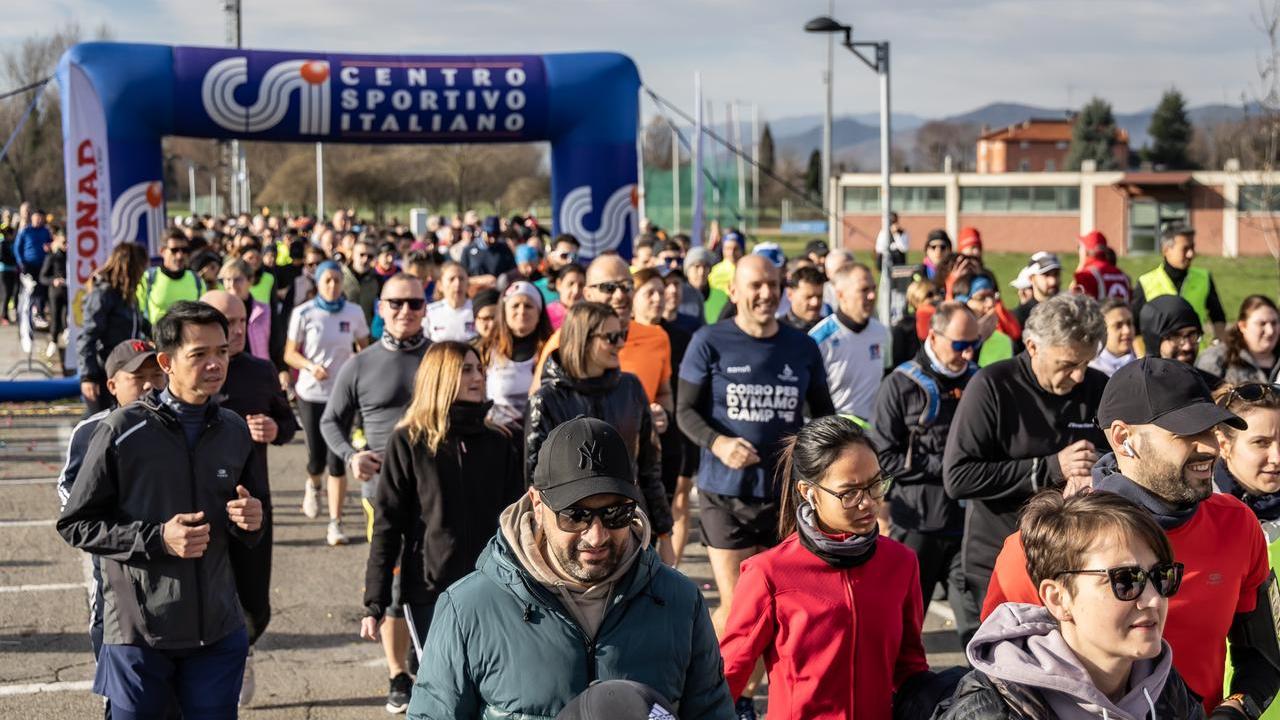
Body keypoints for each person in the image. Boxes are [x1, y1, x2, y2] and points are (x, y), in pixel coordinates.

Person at [981, 358, 1280, 718]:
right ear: (1124, 439)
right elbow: (998, 683)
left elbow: (1262, 659)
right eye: (1187, 433)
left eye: (1211, 430)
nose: (1210, 448)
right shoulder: (1041, 545)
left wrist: (1233, 713)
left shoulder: (1237, 523)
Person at [407, 417, 736, 720]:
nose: (596, 535)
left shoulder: (679, 601)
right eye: (575, 515)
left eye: (615, 514)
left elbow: (712, 713)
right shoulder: (467, 608)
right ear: (537, 505)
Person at [57, 301, 265, 720]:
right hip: (139, 636)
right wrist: (158, 539)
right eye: (200, 354)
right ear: (167, 362)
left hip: (217, 635)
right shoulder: (121, 430)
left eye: (221, 352)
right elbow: (76, 524)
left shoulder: (234, 429)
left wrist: (251, 522)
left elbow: (247, 523)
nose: (214, 363)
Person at [677, 255, 835, 715]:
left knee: (781, 605)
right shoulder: (710, 341)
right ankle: (732, 696)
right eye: (755, 286)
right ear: (734, 291)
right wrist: (719, 442)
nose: (766, 294)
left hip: (784, 496)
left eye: (772, 285)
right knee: (738, 605)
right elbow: (686, 411)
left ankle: (758, 690)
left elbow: (821, 414)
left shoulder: (801, 346)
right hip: (725, 491)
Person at [720, 415, 930, 719]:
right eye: (849, 493)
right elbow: (728, 674)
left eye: (875, 485)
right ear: (809, 492)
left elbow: (911, 666)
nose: (868, 502)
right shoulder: (768, 572)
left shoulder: (902, 563)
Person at [936, 491, 1205, 720]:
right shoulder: (994, 709)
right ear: (1058, 598)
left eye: (1162, 577)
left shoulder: (1166, 688)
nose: (1153, 599)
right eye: (1125, 581)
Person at [361, 341, 523, 712]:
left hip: (493, 591)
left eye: (478, 369)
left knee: (491, 693)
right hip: (430, 592)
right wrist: (375, 601)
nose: (477, 376)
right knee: (444, 698)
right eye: (465, 369)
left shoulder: (500, 441)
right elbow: (387, 526)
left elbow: (518, 523)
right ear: (440, 376)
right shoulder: (409, 440)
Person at [943, 293, 1109, 629]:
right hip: (1000, 562)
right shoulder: (992, 386)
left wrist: (1099, 470)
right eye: (1067, 364)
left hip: (1073, 562)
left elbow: (1120, 457)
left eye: (1085, 364)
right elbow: (958, 477)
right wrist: (1048, 468)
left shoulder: (1098, 388)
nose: (1078, 377)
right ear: (1032, 347)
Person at [319, 272, 430, 709]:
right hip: (382, 493)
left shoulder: (442, 359)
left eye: (415, 304)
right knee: (394, 586)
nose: (405, 311)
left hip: (438, 493)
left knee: (443, 579)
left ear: (426, 308)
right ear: (379, 308)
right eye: (396, 303)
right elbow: (330, 420)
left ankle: (432, 662)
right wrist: (350, 455)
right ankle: (397, 674)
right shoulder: (361, 363)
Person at [199, 289, 298, 706]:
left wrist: (276, 430)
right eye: (228, 321)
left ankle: (248, 646)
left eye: (243, 322)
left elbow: (287, 421)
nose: (238, 331)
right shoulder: (191, 371)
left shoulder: (260, 370)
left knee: (254, 597)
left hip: (253, 501)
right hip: (199, 502)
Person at [525, 302, 674, 559]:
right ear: (583, 338)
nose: (620, 344)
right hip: (573, 533)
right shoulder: (546, 399)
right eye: (611, 337)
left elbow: (650, 468)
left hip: (630, 523)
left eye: (622, 335)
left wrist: (664, 533)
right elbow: (535, 481)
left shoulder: (631, 388)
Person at [871, 301, 980, 641]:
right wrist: (949, 468)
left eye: (974, 345)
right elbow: (884, 457)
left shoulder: (980, 382)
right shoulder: (900, 384)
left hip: (968, 527)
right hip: (918, 524)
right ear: (933, 336)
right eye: (960, 345)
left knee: (977, 630)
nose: (967, 354)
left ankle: (981, 693)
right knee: (903, 627)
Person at [283, 260, 371, 545]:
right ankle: (313, 483)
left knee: (338, 460)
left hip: (341, 396)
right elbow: (289, 354)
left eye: (336, 280)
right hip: (311, 393)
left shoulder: (353, 312)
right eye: (327, 281)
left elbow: (363, 349)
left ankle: (336, 522)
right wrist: (309, 366)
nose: (333, 286)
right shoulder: (304, 312)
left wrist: (357, 367)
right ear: (318, 284)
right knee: (316, 458)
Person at [809, 262, 889, 424]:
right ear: (840, 295)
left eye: (873, 289)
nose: (872, 296)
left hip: (873, 434)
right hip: (834, 433)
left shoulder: (882, 333)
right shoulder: (819, 339)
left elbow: (887, 379)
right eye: (864, 290)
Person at [78, 242, 151, 415]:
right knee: (100, 421)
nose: (143, 274)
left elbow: (143, 325)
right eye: (141, 268)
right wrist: (88, 376)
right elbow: (88, 336)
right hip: (104, 371)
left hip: (123, 367)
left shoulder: (127, 295)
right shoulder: (104, 294)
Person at [1134, 225, 1227, 345]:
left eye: (1192, 248)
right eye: (1185, 249)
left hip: (1195, 358)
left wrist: (1217, 344)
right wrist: (1144, 358)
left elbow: (1218, 316)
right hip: (1160, 361)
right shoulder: (1145, 282)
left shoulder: (1204, 278)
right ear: (1166, 250)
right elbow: (1135, 327)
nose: (1191, 254)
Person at [479, 281, 553, 433]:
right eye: (515, 305)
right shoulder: (486, 350)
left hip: (541, 435)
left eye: (528, 306)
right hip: (498, 436)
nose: (522, 311)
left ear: (539, 313)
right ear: (504, 311)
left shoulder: (551, 351)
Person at [1198, 295, 1278, 385]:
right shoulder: (1215, 359)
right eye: (1262, 324)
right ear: (1242, 326)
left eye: (1274, 323)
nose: (1270, 331)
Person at [137, 230, 206, 324]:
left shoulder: (197, 280)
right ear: (162, 251)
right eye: (174, 250)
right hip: (156, 337)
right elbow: (138, 312)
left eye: (185, 250)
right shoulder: (148, 278)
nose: (180, 256)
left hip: (190, 338)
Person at [218, 258, 274, 364]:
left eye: (238, 279)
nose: (232, 284)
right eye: (227, 279)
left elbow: (275, 341)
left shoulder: (263, 310)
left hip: (259, 367)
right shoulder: (218, 311)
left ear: (250, 280)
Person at [1139, 295, 1205, 368]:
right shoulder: (1136, 379)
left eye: (1192, 335)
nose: (1187, 347)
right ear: (1154, 343)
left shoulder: (1207, 379)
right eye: (1176, 337)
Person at [1072, 230, 1132, 303]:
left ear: (1086, 251)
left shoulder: (1086, 275)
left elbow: (1075, 304)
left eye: (1079, 247)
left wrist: (1081, 265)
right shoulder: (1122, 275)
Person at [14, 208, 51, 321]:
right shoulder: (25, 231)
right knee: (29, 290)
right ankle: (24, 313)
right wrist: (20, 262)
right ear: (32, 218)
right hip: (28, 265)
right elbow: (17, 248)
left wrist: (49, 247)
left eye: (41, 218)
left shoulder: (45, 231)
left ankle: (39, 313)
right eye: (36, 218)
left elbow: (51, 245)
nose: (38, 220)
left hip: (43, 265)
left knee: (41, 289)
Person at [462, 215, 516, 292]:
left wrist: (504, 277)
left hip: (498, 294)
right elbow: (462, 277)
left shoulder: (504, 249)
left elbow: (514, 270)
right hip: (476, 295)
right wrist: (480, 280)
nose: (493, 239)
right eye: (490, 234)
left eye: (496, 235)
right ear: (482, 231)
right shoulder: (468, 250)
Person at [426, 261, 476, 342]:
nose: (457, 283)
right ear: (440, 285)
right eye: (451, 279)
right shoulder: (430, 312)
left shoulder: (477, 310)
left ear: (468, 283)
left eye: (461, 279)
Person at [1011, 251, 1061, 328]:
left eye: (1056, 274)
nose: (1053, 281)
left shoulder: (1069, 311)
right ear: (1031, 278)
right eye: (1046, 275)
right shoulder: (1020, 316)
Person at [1090, 298, 1138, 377]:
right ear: (1100, 330)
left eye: (1129, 323)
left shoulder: (1143, 366)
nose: (1127, 331)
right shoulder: (1090, 370)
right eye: (1118, 325)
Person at [39, 229, 68, 359]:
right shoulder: (52, 257)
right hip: (55, 293)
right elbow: (42, 277)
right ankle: (54, 341)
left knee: (66, 318)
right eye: (64, 242)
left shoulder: (72, 258)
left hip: (70, 293)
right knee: (55, 318)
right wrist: (53, 281)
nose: (67, 245)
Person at [343, 239, 382, 325]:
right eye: (362, 255)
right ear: (353, 255)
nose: (365, 259)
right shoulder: (339, 277)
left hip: (367, 332)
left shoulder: (378, 280)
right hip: (344, 331)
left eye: (370, 256)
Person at [780, 264, 827, 333]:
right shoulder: (777, 331)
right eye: (808, 297)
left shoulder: (831, 330)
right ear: (790, 294)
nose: (815, 303)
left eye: (819, 296)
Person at [546, 262, 586, 330]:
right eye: (571, 284)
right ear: (559, 284)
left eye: (581, 285)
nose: (576, 291)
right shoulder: (546, 315)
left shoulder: (589, 315)